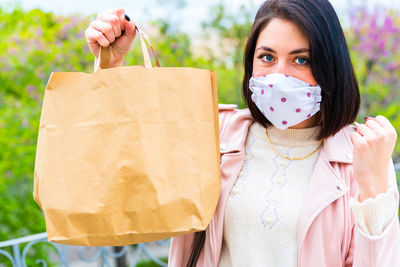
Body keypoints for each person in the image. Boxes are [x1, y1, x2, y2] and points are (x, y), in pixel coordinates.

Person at [85, 0, 400, 266]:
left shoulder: (362, 156)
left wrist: (372, 181)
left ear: (331, 67)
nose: (279, 75)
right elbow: (128, 175)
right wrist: (111, 70)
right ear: (251, 63)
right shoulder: (216, 133)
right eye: (267, 57)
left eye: (301, 59)